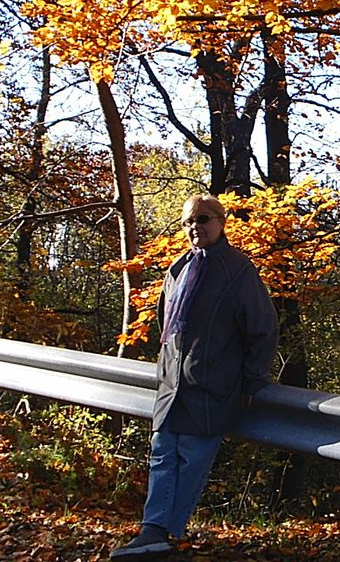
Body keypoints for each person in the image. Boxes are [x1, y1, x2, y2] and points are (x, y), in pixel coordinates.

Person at [110, 194, 280, 559]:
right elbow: (165, 324)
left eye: (203, 219)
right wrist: (167, 369)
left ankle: (163, 532)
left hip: (212, 385)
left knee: (191, 458)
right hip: (173, 385)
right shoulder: (178, 268)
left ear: (221, 223)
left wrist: (252, 378)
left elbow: (263, 328)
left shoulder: (237, 270)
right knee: (161, 454)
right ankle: (153, 531)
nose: (194, 227)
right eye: (188, 221)